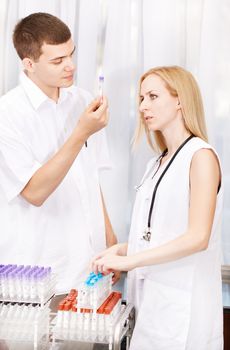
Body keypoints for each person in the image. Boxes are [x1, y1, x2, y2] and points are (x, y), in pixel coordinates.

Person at [91, 66, 223, 349]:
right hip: (151, 306)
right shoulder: (156, 163)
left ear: (179, 100)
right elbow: (155, 233)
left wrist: (129, 262)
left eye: (152, 96)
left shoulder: (201, 157)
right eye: (141, 99)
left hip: (183, 309)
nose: (143, 107)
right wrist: (120, 249)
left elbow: (198, 237)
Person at [0, 12, 118, 295]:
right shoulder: (8, 114)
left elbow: (92, 178)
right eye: (58, 60)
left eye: (71, 55)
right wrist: (80, 133)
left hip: (90, 266)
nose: (71, 66)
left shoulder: (83, 101)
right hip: (38, 274)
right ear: (29, 64)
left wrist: (109, 239)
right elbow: (35, 192)